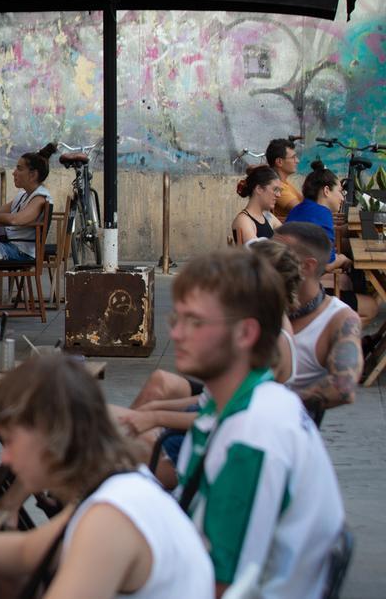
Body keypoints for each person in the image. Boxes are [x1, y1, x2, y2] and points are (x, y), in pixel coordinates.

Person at [0, 354, 213, 599]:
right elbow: (26, 550)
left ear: (53, 437)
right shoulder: (119, 485)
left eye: (12, 440)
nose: (5, 456)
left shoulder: (111, 517)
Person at [170, 248, 344, 597]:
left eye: (196, 322)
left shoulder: (253, 435)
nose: (176, 334)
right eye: (176, 319)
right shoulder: (236, 404)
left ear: (246, 334)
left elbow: (223, 583)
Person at [113, 238, 303, 485]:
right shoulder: (267, 332)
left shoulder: (271, 345)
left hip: (199, 444)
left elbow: (221, 416)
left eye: (197, 323)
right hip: (205, 431)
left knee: (111, 448)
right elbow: (215, 404)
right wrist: (153, 413)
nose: (177, 335)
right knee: (102, 425)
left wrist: (156, 417)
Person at [275, 222, 361, 412]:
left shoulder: (339, 317)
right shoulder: (258, 300)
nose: (267, 260)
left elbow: (343, 388)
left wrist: (265, 407)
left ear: (307, 266)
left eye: (278, 254)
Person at [286, 161, 379, 321]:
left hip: (291, 285)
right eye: (340, 191)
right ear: (326, 191)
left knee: (349, 282)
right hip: (301, 295)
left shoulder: (301, 208)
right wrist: (343, 259)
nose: (342, 197)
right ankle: (334, 341)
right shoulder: (323, 214)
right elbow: (327, 264)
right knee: (372, 306)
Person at [0, 144, 55, 261]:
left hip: (21, 252)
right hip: (10, 246)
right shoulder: (23, 195)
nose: (14, 173)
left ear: (33, 175)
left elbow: (16, 219)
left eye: (19, 169)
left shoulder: (39, 198)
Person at [231, 164, 280, 245]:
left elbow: (287, 234)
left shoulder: (267, 216)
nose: (278, 195)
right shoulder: (243, 220)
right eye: (275, 189)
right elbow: (258, 254)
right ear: (259, 189)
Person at [267, 138, 302, 219]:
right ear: (279, 162)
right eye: (293, 157)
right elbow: (303, 211)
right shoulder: (279, 188)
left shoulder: (285, 183)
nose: (297, 161)